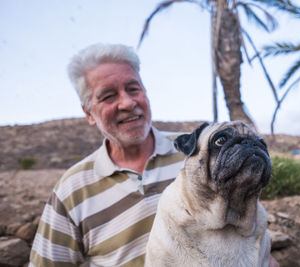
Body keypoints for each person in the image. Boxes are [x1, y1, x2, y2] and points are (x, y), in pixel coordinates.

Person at [29, 43, 279, 267]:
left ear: (146, 92)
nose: (127, 103)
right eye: (108, 96)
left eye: (133, 89)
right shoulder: (72, 190)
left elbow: (250, 231)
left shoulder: (193, 153)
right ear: (88, 113)